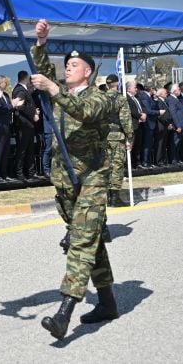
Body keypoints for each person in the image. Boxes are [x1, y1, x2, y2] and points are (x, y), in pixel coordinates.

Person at [29, 19, 116, 340]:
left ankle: (65, 311)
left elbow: (86, 112)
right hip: (66, 181)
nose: (68, 68)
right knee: (91, 243)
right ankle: (107, 301)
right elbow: (39, 71)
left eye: (74, 65)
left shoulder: (102, 97)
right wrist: (40, 43)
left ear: (88, 72)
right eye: (66, 64)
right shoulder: (60, 94)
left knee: (80, 241)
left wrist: (54, 89)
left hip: (92, 177)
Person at [104, 74, 134, 206]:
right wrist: (130, 137)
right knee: (117, 166)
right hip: (116, 137)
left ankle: (107, 197)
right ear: (117, 84)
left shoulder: (101, 98)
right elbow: (125, 120)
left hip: (103, 137)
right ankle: (114, 198)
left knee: (105, 166)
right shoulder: (121, 99)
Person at [12, 70, 38, 181]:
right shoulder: (20, 90)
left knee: (29, 149)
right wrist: (33, 114)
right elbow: (19, 106)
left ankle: (30, 172)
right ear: (25, 78)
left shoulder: (23, 89)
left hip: (27, 124)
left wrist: (33, 110)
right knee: (22, 150)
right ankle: (19, 173)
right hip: (23, 123)